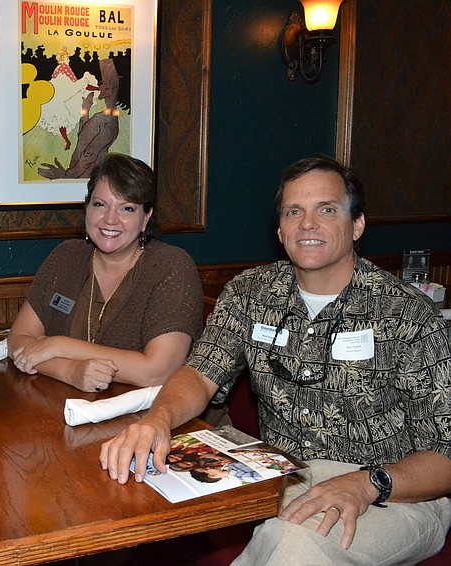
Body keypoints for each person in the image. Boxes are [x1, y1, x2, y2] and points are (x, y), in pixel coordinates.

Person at [100, 155, 451, 564]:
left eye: (327, 210)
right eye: (294, 211)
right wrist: (157, 419)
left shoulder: (407, 314)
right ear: (281, 229)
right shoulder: (251, 292)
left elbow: (445, 454)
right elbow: (199, 373)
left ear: (357, 225)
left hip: (395, 494)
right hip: (285, 477)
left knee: (294, 546)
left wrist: (365, 484)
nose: (307, 223)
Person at [10, 153, 203, 393]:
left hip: (157, 418)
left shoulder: (172, 267)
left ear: (146, 218)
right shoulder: (66, 257)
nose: (110, 219)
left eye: (127, 209)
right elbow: (18, 340)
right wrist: (70, 371)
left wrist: (58, 345)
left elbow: (157, 371)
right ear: (87, 207)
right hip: (71, 409)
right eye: (100, 204)